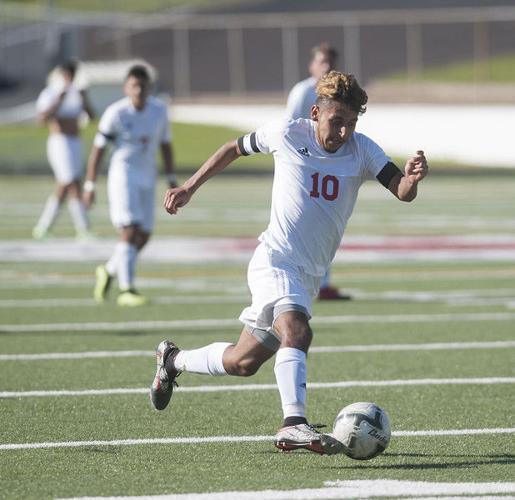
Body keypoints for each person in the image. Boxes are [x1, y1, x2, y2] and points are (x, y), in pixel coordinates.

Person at [150, 71, 428, 455]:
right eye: (337, 121)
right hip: (275, 261)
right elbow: (233, 147)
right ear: (316, 112)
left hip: (308, 275)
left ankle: (172, 360)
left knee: (242, 362)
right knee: (297, 331)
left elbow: (401, 191)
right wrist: (189, 187)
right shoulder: (287, 133)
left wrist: (411, 179)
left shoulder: (363, 149)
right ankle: (293, 423)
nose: (344, 131)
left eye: (351, 122)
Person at [83, 64, 177, 307]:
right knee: (129, 229)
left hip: (148, 176)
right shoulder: (116, 113)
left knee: (143, 235)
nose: (139, 90)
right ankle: (127, 289)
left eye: (143, 86)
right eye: (134, 86)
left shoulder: (159, 111)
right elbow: (98, 150)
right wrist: (90, 185)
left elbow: (165, 144)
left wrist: (171, 178)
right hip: (123, 175)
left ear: (150, 88)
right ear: (126, 88)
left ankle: (108, 270)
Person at [286, 42, 350, 301]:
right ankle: (287, 276)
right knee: (298, 221)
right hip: (305, 168)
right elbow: (289, 129)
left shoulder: (339, 95)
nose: (328, 68)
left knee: (326, 223)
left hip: (329, 166)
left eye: (331, 63)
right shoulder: (302, 92)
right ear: (312, 66)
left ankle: (322, 282)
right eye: (323, 62)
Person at [33, 60, 95, 240]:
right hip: (59, 142)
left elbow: (91, 116)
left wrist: (84, 98)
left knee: (63, 186)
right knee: (73, 184)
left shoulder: (78, 93)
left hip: (75, 142)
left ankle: (43, 227)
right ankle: (83, 228)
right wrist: (58, 100)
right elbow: (42, 118)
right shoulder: (51, 92)